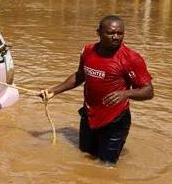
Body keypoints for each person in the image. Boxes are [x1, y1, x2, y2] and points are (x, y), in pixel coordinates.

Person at [40, 15, 154, 164]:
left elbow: (149, 91)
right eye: (111, 33)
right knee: (84, 158)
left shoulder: (131, 58)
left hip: (115, 120)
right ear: (98, 32)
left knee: (106, 166)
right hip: (89, 116)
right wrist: (54, 91)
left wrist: (126, 93)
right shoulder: (88, 51)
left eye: (120, 33)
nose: (116, 37)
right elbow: (80, 75)